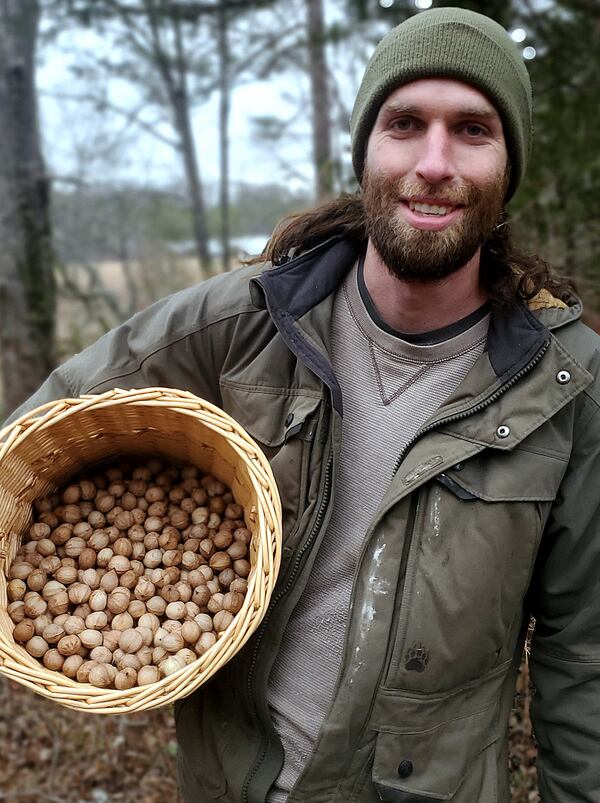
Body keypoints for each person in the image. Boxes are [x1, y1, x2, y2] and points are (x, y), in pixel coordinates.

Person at [8, 7, 600, 802]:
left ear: (507, 165)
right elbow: (45, 431)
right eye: (404, 123)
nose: (433, 161)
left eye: (471, 130)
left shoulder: (569, 389)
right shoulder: (241, 321)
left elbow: (586, 659)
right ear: (366, 150)